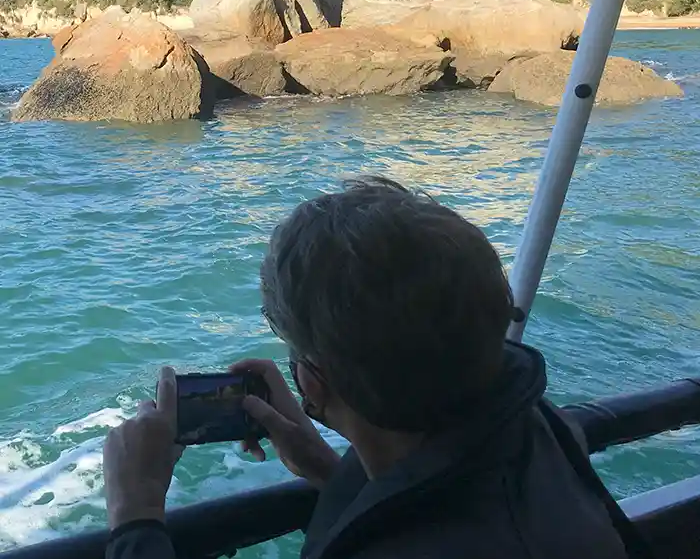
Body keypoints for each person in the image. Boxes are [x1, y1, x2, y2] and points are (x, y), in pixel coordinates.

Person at [103, 178, 647, 559]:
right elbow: (438, 487)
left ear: (311, 381)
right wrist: (325, 466)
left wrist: (136, 515)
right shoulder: (541, 433)